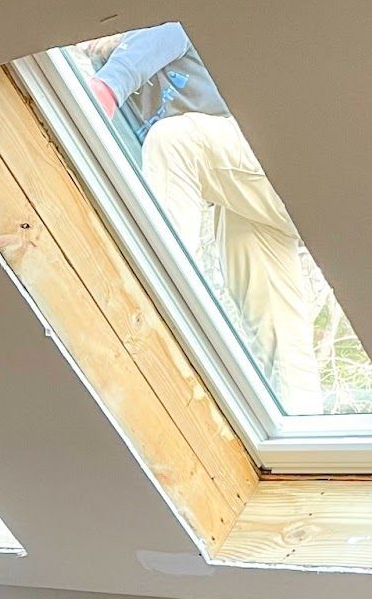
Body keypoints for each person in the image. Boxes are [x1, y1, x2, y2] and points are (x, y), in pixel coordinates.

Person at [86, 23, 323, 414]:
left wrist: (106, 83)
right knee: (276, 338)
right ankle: (311, 441)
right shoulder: (112, 73)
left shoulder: (162, 26)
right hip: (245, 193)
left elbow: (161, 35)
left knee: (173, 139)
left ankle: (162, 303)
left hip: (285, 160)